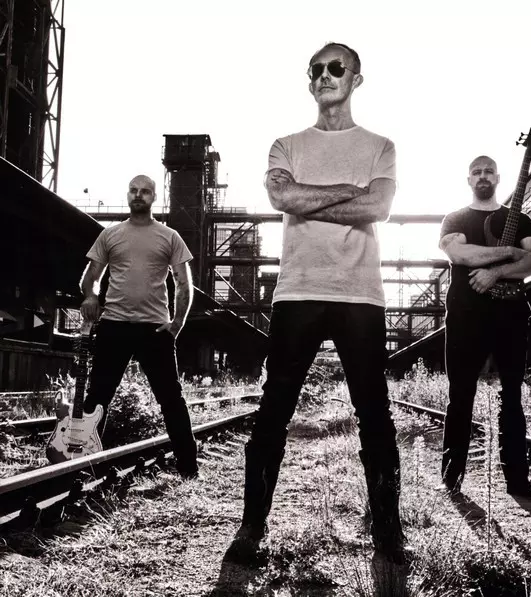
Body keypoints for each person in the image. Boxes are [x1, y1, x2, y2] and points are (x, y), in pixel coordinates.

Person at [225, 42, 408, 566]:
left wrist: (312, 196)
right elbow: (282, 199)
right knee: (273, 411)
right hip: (298, 291)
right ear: (310, 82)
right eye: (317, 70)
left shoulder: (381, 146)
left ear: (356, 79)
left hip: (359, 295)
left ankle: (388, 531)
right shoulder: (286, 145)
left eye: (336, 68)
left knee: (374, 413)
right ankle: (251, 528)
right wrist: (347, 191)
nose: (326, 75)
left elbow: (379, 206)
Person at [438, 155, 531, 497]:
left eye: (488, 171)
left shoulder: (522, 220)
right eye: (477, 172)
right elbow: (461, 255)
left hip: (511, 316)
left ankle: (518, 482)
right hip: (465, 315)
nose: (483, 176)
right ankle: (452, 480)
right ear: (468, 180)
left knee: (512, 396)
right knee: (460, 396)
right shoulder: (455, 218)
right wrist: (512, 254)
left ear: (498, 178)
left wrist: (496, 272)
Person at [80, 174, 198, 478]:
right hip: (113, 326)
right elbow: (90, 278)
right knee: (98, 397)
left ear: (154, 197)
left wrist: (177, 324)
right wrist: (91, 296)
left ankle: (189, 469)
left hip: (154, 330)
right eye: (133, 190)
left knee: (171, 399)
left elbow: (184, 284)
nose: (138, 195)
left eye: (145, 191)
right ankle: (83, 466)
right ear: (128, 194)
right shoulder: (110, 235)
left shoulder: (169, 236)